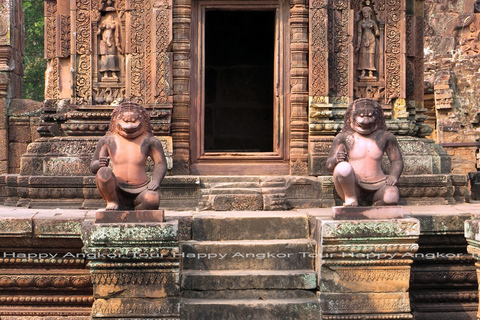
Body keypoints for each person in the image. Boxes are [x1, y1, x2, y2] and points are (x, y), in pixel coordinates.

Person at [326, 98, 403, 206]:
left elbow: (396, 160)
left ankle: (374, 205)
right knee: (342, 168)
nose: (366, 121)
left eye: (370, 116)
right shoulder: (344, 137)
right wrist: (336, 160)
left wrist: (393, 176)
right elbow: (329, 166)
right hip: (354, 185)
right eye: (361, 116)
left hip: (379, 183)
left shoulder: (385, 137)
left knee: (391, 197)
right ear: (352, 117)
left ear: (377, 117)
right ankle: (351, 199)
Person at [90, 102, 167, 210]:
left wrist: (155, 181)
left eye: (134, 121)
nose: (129, 126)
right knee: (103, 173)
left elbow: (160, 164)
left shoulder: (150, 141)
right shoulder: (107, 140)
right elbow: (93, 167)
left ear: (143, 121)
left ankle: (135, 208)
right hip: (115, 189)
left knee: (152, 199)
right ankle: (112, 201)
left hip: (142, 189)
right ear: (115, 121)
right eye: (125, 121)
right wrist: (99, 164)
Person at [356, 7, 379, 80]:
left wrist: (377, 32)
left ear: (369, 13)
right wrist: (358, 45)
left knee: (371, 55)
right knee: (363, 56)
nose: (364, 15)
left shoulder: (372, 22)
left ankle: (370, 72)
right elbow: (359, 34)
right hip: (363, 40)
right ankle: (363, 71)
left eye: (366, 13)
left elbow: (377, 32)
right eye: (363, 14)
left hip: (371, 40)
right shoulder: (360, 23)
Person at [97, 15, 123, 80]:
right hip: (104, 40)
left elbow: (117, 34)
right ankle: (105, 73)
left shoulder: (115, 23)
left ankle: (113, 73)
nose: (110, 17)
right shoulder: (104, 22)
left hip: (111, 40)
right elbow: (99, 30)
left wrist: (118, 44)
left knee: (112, 56)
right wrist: (99, 29)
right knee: (104, 57)